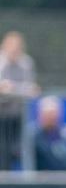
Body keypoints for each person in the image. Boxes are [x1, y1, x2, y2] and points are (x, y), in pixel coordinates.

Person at [0, 31, 40, 170]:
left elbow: (31, 89)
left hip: (19, 115)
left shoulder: (26, 63)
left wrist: (12, 89)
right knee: (3, 150)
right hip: (2, 116)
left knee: (22, 149)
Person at [33, 96, 66, 171]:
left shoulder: (63, 136)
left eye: (53, 114)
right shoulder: (34, 138)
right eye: (48, 114)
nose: (51, 117)